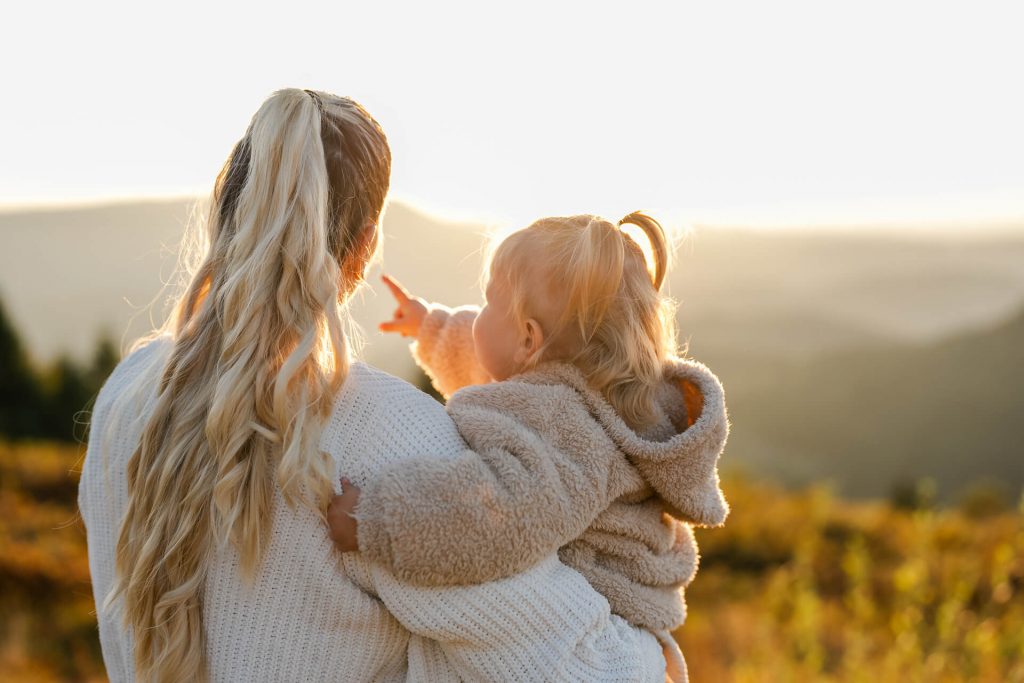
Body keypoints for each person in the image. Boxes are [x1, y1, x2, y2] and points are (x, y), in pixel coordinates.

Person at [78, 88, 667, 682]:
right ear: (362, 250)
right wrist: (659, 658)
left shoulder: (124, 397)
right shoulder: (396, 448)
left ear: (227, 212)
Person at [326, 214, 732, 683]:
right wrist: (431, 327)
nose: (476, 315)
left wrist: (379, 518)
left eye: (486, 303)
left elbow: (502, 508)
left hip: (597, 632)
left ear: (528, 338)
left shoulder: (564, 425)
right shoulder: (595, 392)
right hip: (626, 616)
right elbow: (502, 376)